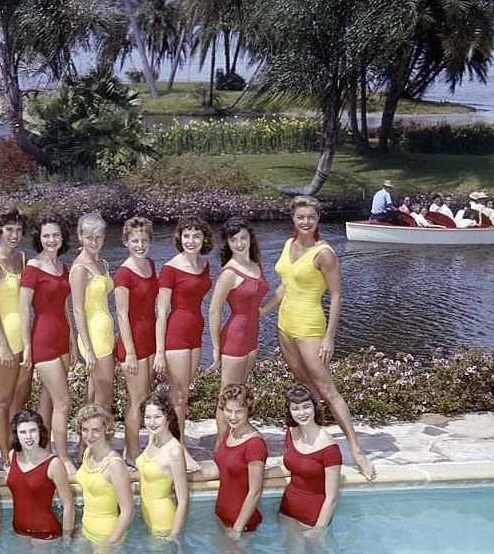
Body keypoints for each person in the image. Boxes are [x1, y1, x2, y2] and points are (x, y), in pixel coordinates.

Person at [262, 195, 376, 481]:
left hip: (310, 325)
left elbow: (336, 295)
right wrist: (261, 309)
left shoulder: (324, 253)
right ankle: (312, 439)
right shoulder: (289, 245)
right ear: (293, 219)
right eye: (301, 217)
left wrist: (329, 338)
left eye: (311, 217)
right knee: (302, 382)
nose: (306, 221)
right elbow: (284, 287)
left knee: (326, 389)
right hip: (284, 324)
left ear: (317, 220)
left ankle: (356, 450)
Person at [19, 214, 77, 471]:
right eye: (46, 236)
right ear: (39, 239)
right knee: (63, 401)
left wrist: (74, 340)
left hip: (62, 337)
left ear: (62, 237)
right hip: (43, 339)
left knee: (49, 398)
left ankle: (42, 451)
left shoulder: (63, 267)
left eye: (56, 235)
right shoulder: (32, 267)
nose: (51, 240)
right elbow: (23, 311)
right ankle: (62, 457)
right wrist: (28, 347)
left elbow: (65, 306)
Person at [156, 216, 213, 468]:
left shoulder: (204, 265)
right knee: (179, 395)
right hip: (176, 334)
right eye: (186, 236)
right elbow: (160, 312)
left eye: (196, 236)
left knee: (182, 394)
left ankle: (166, 442)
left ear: (204, 239)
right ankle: (179, 449)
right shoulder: (170, 268)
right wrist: (159, 351)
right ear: (180, 238)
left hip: (196, 333)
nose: (191, 241)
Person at [208, 217, 269, 442]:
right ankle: (221, 446)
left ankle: (235, 440)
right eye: (234, 240)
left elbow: (259, 309)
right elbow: (214, 311)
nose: (240, 243)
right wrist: (216, 348)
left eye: (243, 238)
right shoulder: (228, 273)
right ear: (228, 243)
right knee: (226, 396)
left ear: (250, 238)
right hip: (234, 337)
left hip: (252, 337)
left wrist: (281, 294)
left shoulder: (256, 265)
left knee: (240, 392)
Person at [0, 206, 32, 466]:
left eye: (18, 230)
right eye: (9, 229)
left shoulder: (21, 258)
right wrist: (3, 346)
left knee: (21, 397)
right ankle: (4, 455)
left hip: (23, 336)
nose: (14, 235)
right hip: (3, 341)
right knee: (3, 400)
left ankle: (17, 447)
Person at [190, 384, 267, 536]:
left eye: (239, 412)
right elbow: (221, 468)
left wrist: (237, 530)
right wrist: (185, 477)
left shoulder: (255, 444)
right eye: (228, 411)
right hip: (221, 516)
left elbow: (255, 492)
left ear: (248, 410)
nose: (232, 416)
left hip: (242, 525)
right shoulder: (230, 432)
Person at [265, 384, 342, 534]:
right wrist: (257, 474)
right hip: (287, 511)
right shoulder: (291, 433)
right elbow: (291, 467)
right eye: (295, 408)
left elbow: (332, 498)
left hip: (313, 518)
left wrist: (318, 530)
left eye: (306, 407)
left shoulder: (330, 448)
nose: (301, 413)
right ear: (290, 411)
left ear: (314, 407)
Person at [113, 216, 159, 463]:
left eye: (143, 240)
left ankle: (143, 447)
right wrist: (130, 352)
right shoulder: (123, 274)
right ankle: (131, 453)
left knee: (146, 397)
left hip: (150, 339)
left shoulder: (151, 264)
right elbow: (121, 315)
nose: (139, 245)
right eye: (134, 241)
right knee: (138, 400)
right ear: (126, 242)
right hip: (133, 345)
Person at [2, 409, 75, 541]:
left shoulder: (53, 464)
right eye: (23, 432)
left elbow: (68, 505)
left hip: (45, 533)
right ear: (16, 435)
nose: (28, 437)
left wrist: (67, 538)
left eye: (33, 431)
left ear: (40, 432)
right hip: (18, 530)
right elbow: (19, 483)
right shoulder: (13, 456)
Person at [74, 404, 134, 554]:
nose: (89, 436)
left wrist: (108, 545)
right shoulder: (88, 452)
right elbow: (85, 477)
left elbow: (128, 512)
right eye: (85, 430)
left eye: (96, 430)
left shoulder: (114, 465)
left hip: (106, 536)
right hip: (86, 530)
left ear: (106, 430)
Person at [70, 212, 115, 409]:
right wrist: (88, 350)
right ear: (80, 237)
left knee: (94, 394)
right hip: (93, 337)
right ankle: (98, 438)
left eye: (98, 237)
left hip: (105, 332)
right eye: (89, 237)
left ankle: (85, 439)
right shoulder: (80, 269)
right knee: (104, 395)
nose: (94, 242)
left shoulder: (102, 264)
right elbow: (78, 310)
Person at [135, 391, 190, 539]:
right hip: (147, 515)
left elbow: (183, 501)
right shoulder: (153, 437)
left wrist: (174, 536)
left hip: (163, 522)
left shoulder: (174, 452)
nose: (152, 422)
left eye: (157, 417)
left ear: (168, 418)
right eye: (147, 417)